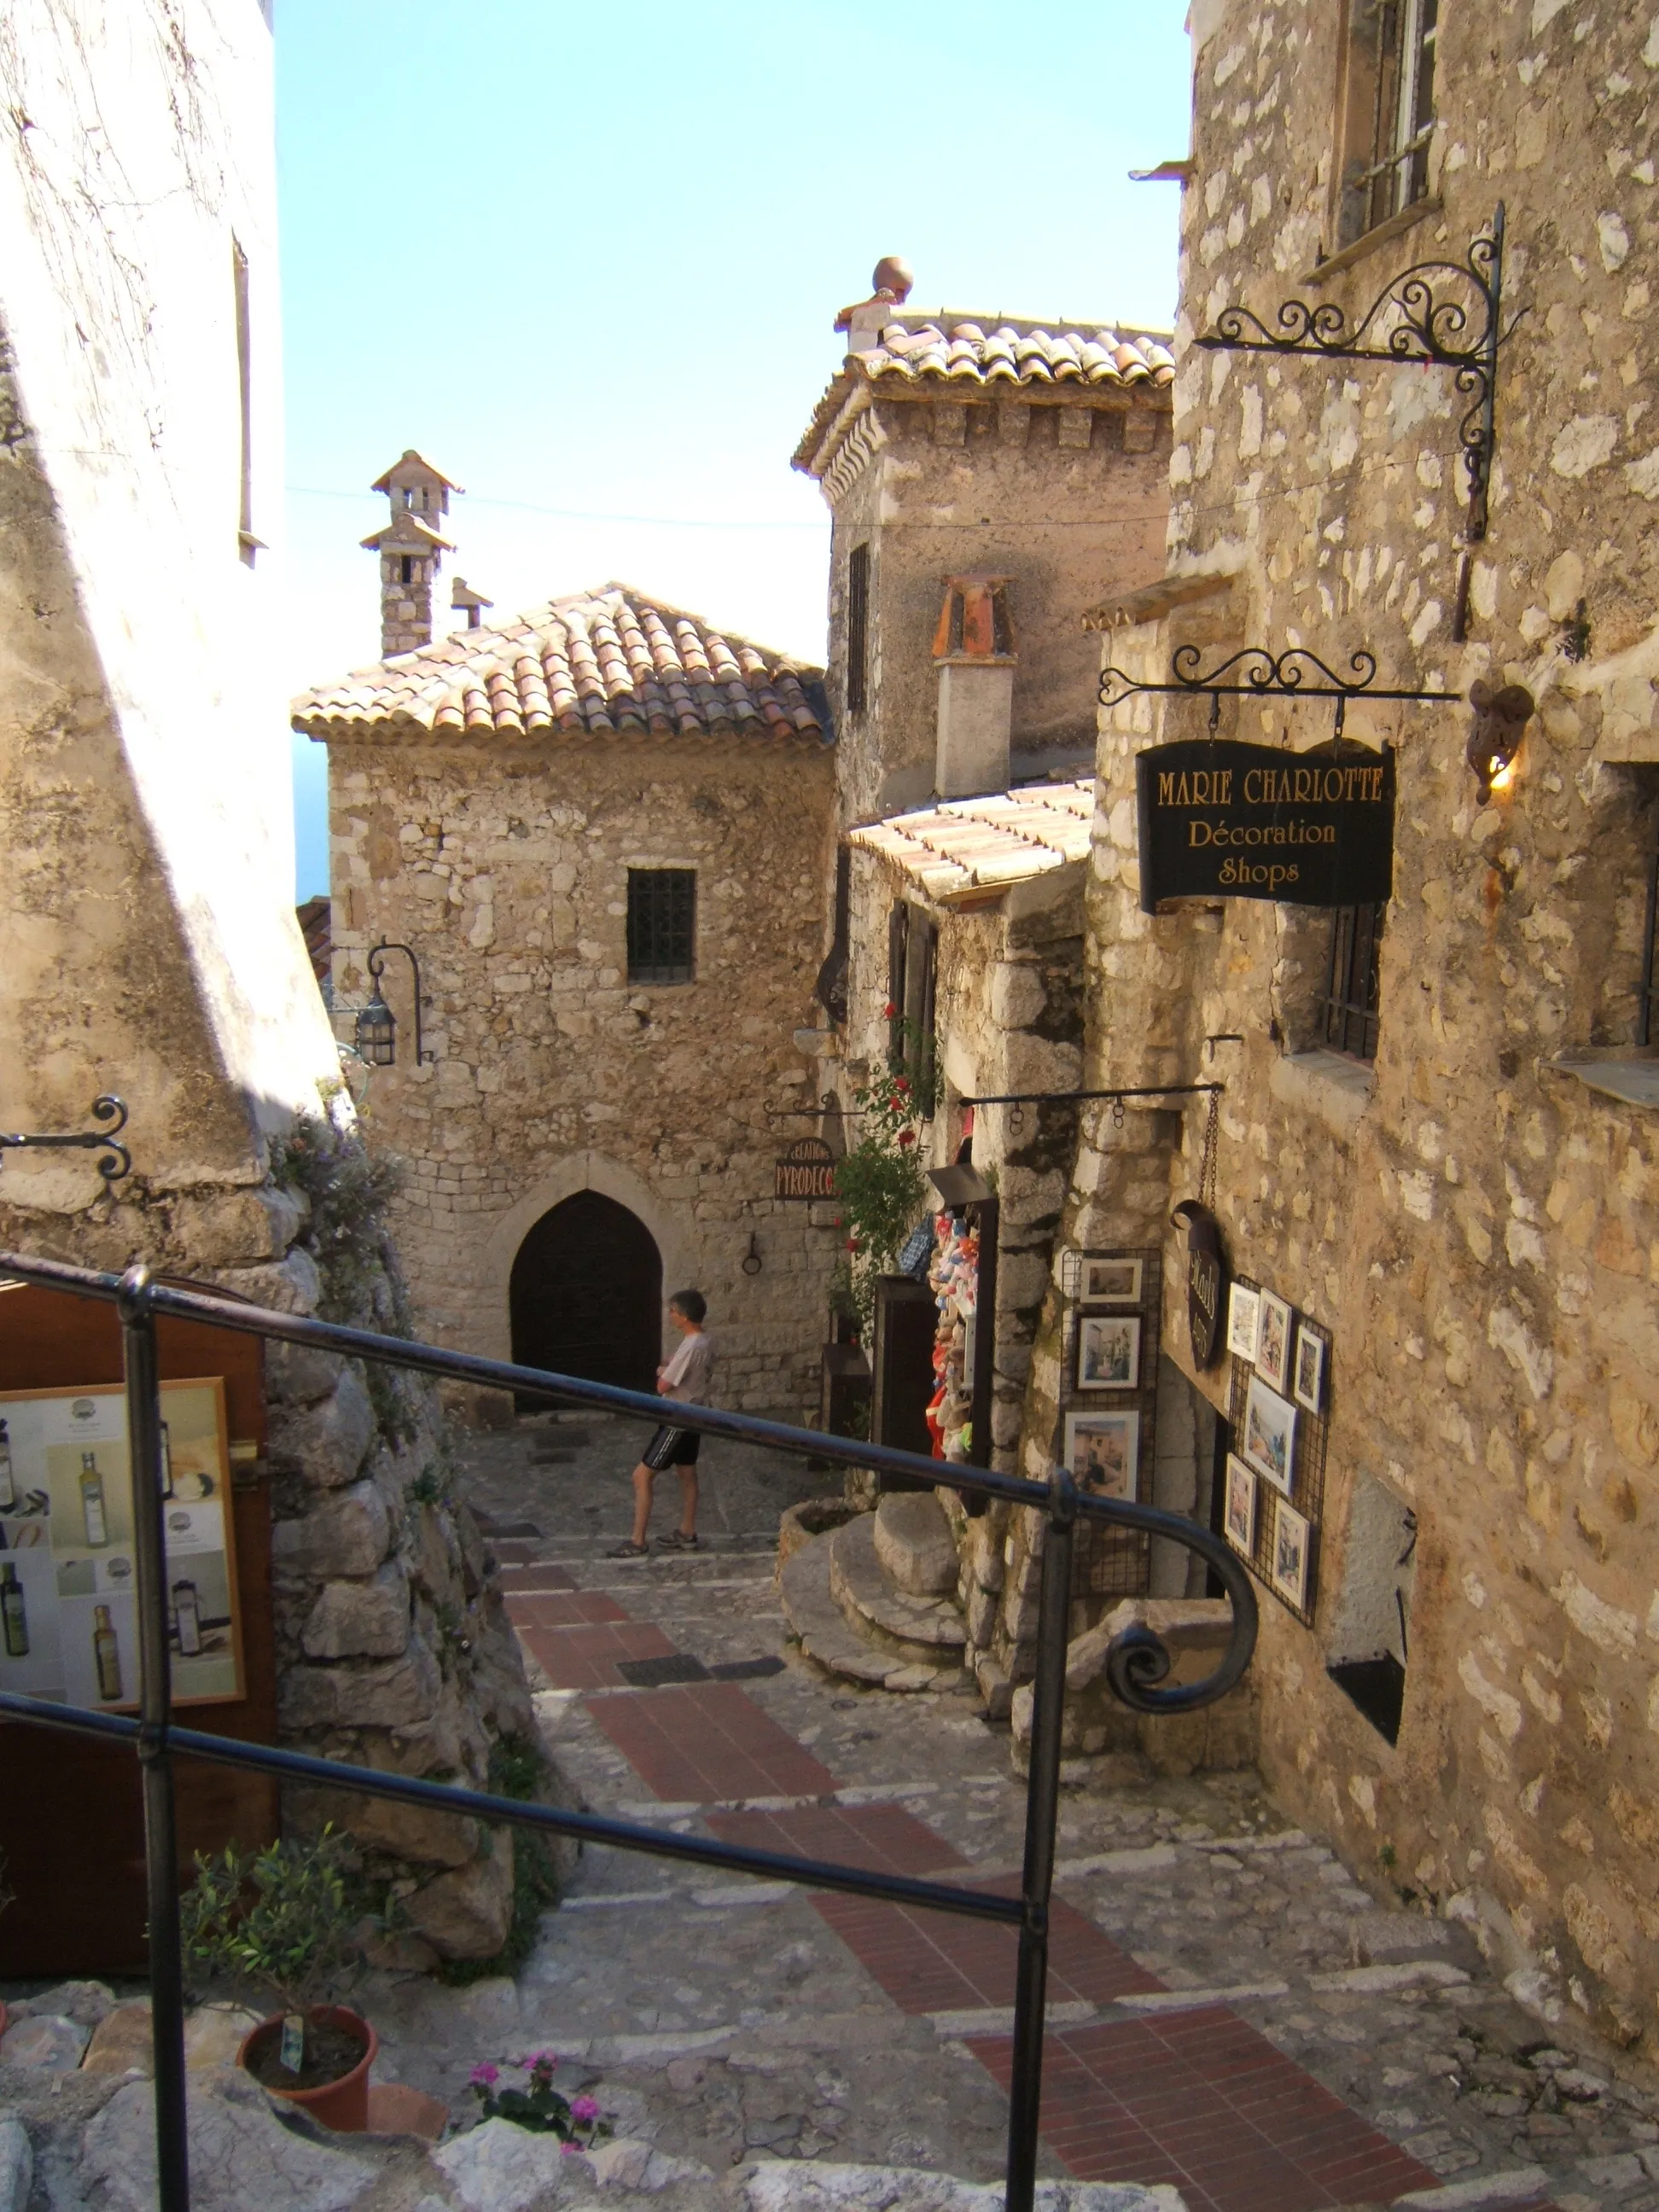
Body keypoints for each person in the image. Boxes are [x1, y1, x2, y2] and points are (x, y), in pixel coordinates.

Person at [608, 1290, 713, 1557]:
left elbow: (663, 1383)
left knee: (642, 1476)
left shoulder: (690, 1347)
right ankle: (687, 1532)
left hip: (677, 1417)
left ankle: (638, 1541)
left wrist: (661, 1371)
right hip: (696, 1413)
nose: (670, 1315)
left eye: (674, 1311)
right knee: (687, 1473)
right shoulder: (705, 1340)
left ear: (684, 1316)